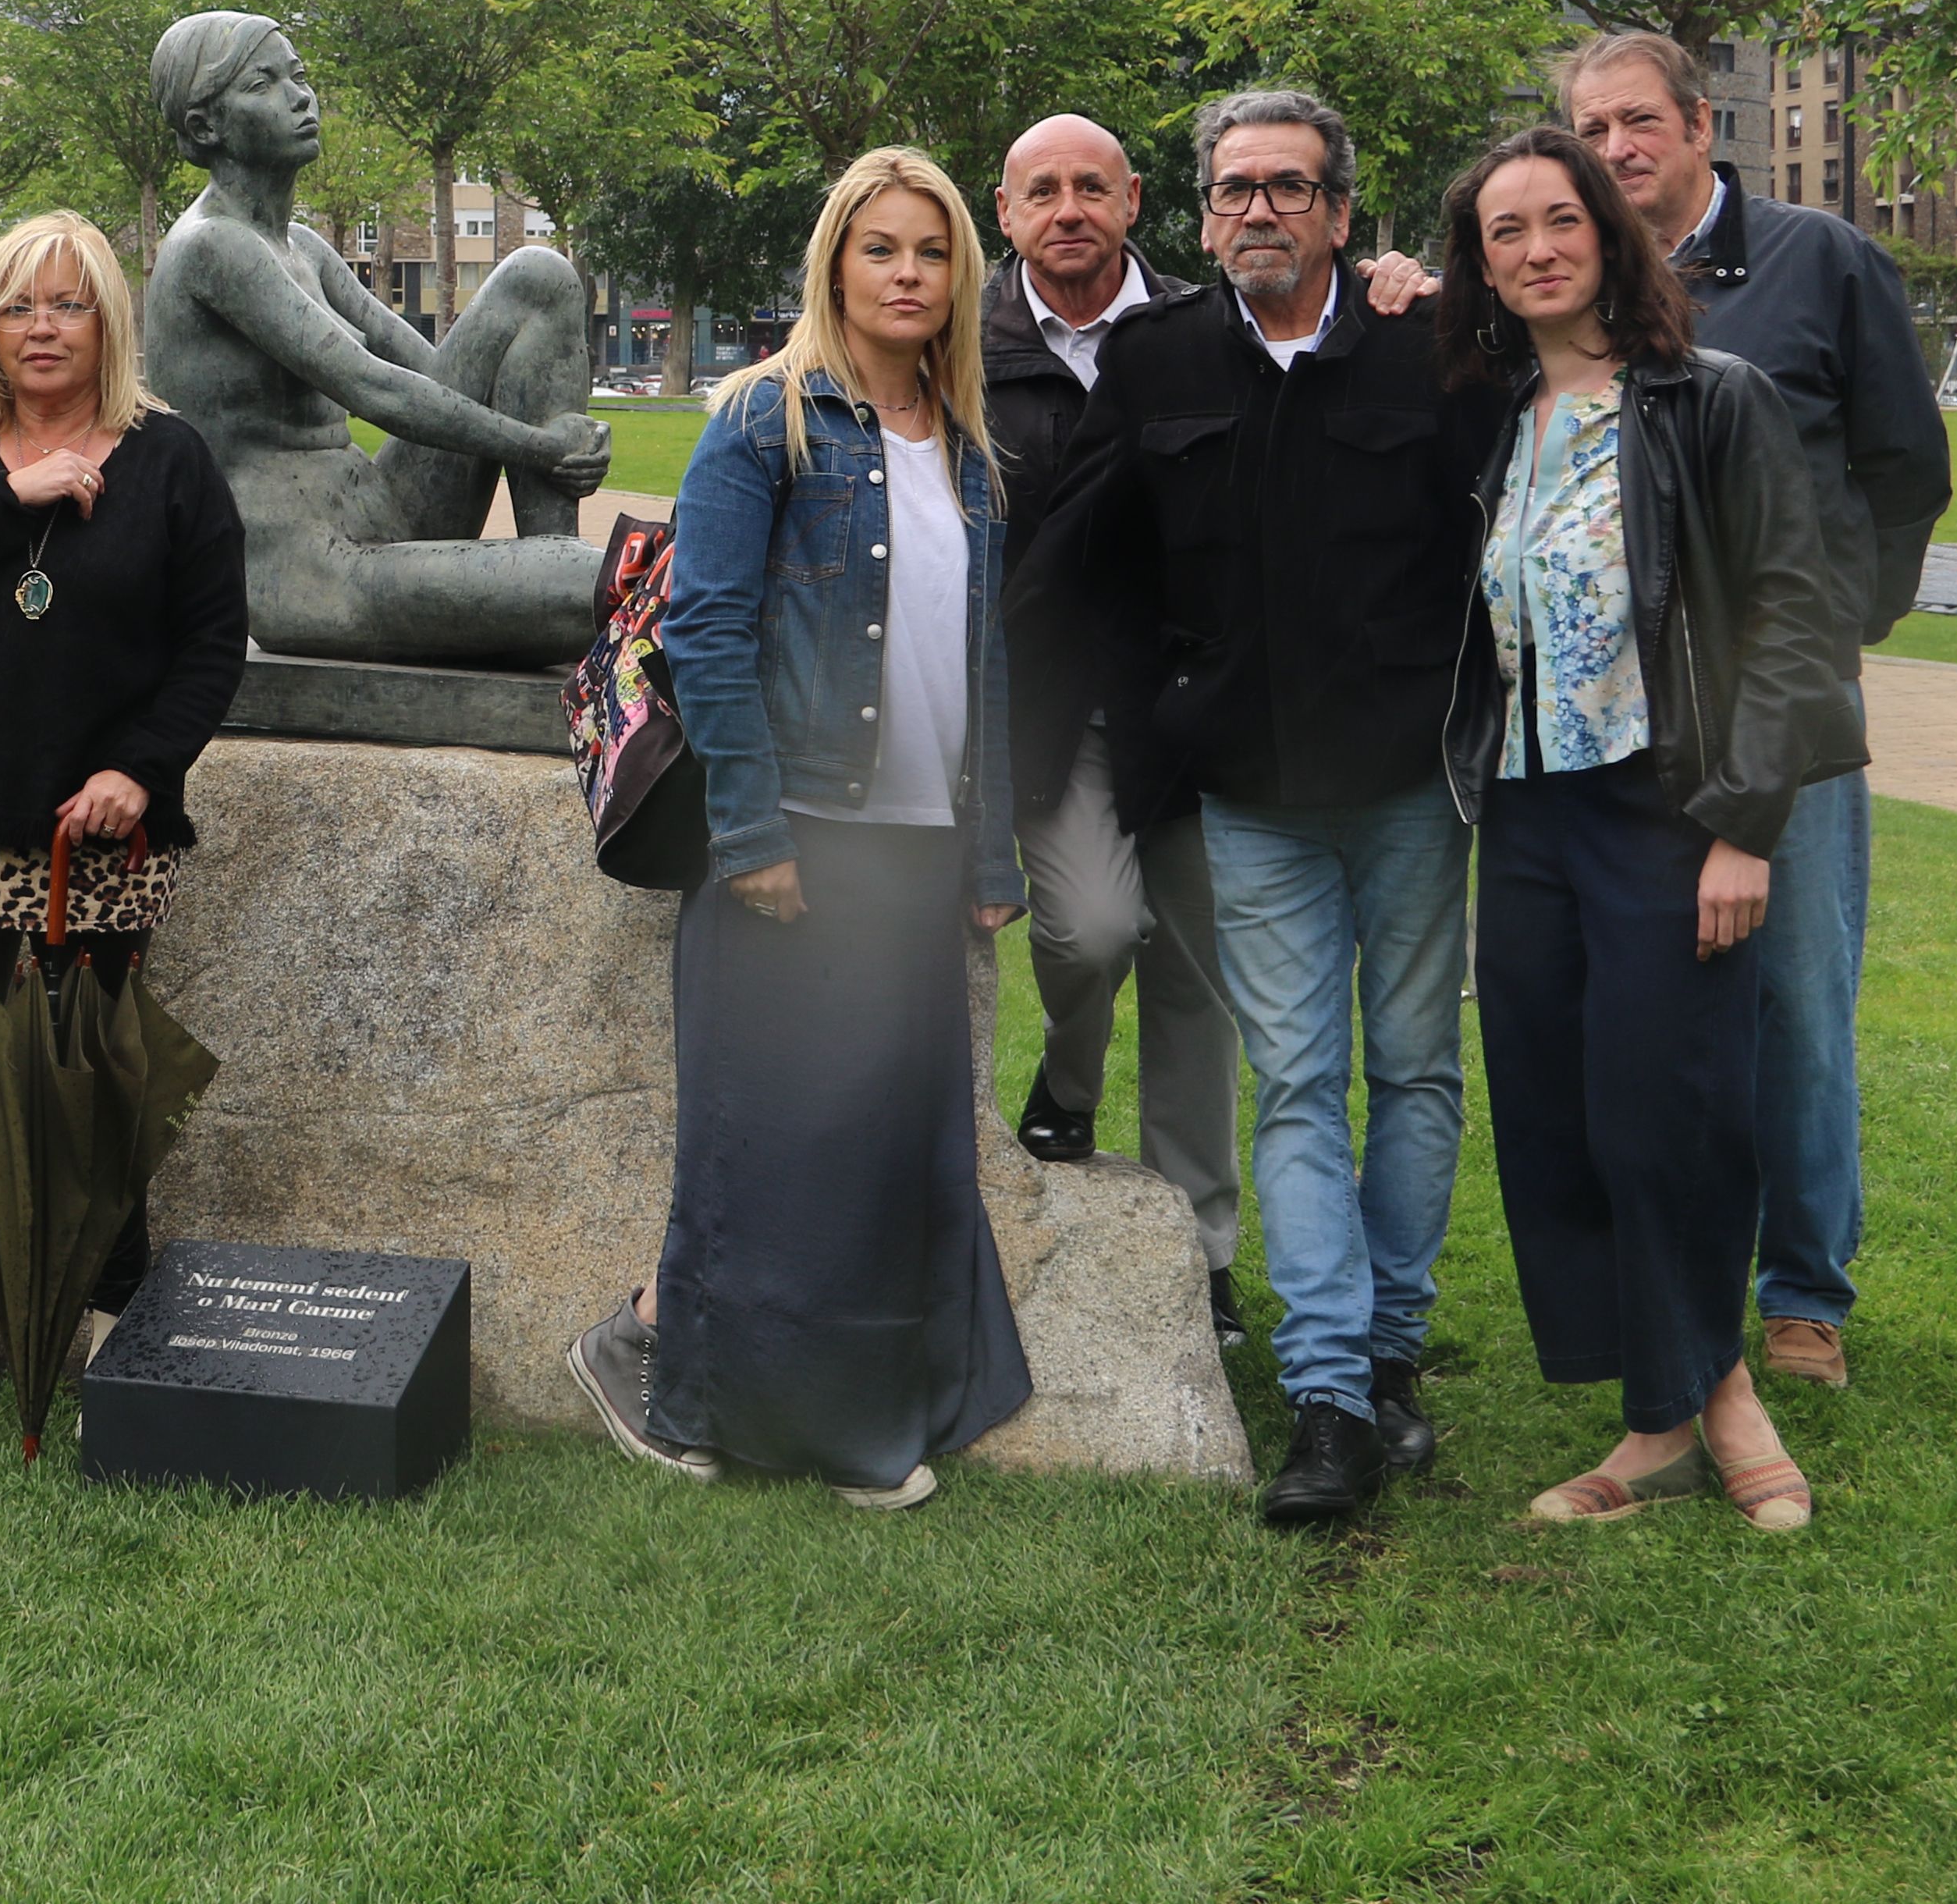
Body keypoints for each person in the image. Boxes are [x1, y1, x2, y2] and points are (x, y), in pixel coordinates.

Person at [1028, 86, 1508, 1528]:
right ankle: (1329, 1399)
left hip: (1410, 788)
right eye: (1233, 189)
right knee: (1297, 1084)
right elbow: (1077, 563)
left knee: (1414, 1071)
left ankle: (1391, 1347)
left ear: (1340, 213)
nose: (1257, 211)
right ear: (1201, 219)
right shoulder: (1157, 360)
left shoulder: (1433, 352)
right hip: (1248, 799)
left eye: (1288, 187)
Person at [567, 147, 1029, 1511]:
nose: (907, 273)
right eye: (880, 248)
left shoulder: (968, 446)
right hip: (801, 834)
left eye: (931, 252)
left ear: (960, 277)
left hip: (918, 847)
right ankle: (666, 1369)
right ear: (835, 264)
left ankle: (845, 1417)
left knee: (880, 1150)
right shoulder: (765, 419)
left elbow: (984, 661)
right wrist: (753, 830)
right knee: (768, 1147)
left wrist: (990, 850)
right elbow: (706, 630)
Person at [1435, 127, 1860, 1531]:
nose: (1537, 248)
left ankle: (1715, 1404)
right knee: (1558, 1115)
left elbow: (1793, 614)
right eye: (1505, 231)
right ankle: (1662, 1405)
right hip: (1527, 811)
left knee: (1666, 1114)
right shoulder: (1495, 413)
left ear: (1610, 235)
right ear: (1481, 266)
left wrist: (1744, 826)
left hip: (1666, 806)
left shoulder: (1708, 398)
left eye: (1561, 219)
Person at [1558, 34, 1950, 1391]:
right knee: (1654, 1002)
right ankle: (1678, 1279)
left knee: (1796, 998)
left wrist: (1842, 626)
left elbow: (1904, 468)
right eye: (1592, 129)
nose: (1617, 149)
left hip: (1786, 698)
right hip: (1627, 713)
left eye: (1637, 121)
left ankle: (1802, 1294)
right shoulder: (1579, 277)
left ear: (1697, 122)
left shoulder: (1820, 260)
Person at [0, 211, 248, 1429]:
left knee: (93, 1090)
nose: (41, 328)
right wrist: (13, 493)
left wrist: (143, 769)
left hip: (99, 840)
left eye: (68, 304)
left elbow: (211, 644)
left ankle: (109, 1329)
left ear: (108, 320)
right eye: (18, 305)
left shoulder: (171, 460)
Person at [978, 112, 1242, 1342]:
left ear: (1135, 199)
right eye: (1043, 190)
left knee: (1197, 985)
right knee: (1090, 931)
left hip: (1190, 705)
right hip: (1045, 708)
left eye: (1093, 186)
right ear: (1006, 211)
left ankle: (1203, 1255)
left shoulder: (1207, 329)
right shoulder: (961, 342)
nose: (1069, 209)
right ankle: (1071, 1079)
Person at [135, 10, 613, 666]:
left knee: (539, 275)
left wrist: (565, 443)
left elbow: (427, 370)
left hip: (382, 514)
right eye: (264, 84)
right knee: (601, 582)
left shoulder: (301, 245)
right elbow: (374, 389)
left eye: (299, 76)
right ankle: (556, 575)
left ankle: (552, 555)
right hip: (310, 573)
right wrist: (546, 447)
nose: (300, 97)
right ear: (204, 127)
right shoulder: (212, 247)